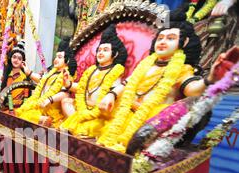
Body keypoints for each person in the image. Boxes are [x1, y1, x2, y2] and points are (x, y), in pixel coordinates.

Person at [97, 4, 221, 153]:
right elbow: (126, 83)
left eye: (170, 38)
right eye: (160, 38)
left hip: (153, 122)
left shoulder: (182, 69)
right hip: (126, 114)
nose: (162, 42)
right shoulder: (145, 65)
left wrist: (210, 79)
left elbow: (192, 91)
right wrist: (111, 95)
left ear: (185, 42)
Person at [59, 25, 128, 137]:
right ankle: (80, 123)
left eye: (105, 50)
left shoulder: (115, 71)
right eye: (99, 50)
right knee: (66, 102)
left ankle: (82, 126)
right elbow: (82, 89)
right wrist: (68, 84)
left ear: (114, 54)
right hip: (83, 107)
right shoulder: (91, 71)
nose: (101, 53)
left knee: (103, 114)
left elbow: (116, 93)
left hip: (99, 111)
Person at [15, 38, 77, 128]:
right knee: (23, 112)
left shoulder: (66, 74)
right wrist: (28, 72)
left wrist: (50, 99)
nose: (56, 59)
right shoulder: (52, 73)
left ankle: (43, 119)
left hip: (51, 107)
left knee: (26, 115)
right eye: (56, 57)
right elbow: (41, 81)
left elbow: (65, 94)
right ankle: (41, 119)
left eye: (59, 57)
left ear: (67, 61)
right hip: (41, 104)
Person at [0, 40, 31, 108]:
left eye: (19, 59)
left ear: (23, 61)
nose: (16, 60)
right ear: (10, 58)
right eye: (14, 57)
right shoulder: (7, 75)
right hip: (6, 108)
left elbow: (26, 96)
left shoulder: (25, 77)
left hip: (20, 109)